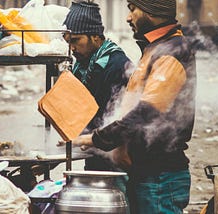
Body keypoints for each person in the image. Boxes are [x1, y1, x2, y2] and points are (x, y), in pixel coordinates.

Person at [59, 0, 197, 213]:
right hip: (145, 174)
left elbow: (146, 113)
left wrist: (96, 138)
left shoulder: (171, 52)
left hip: (160, 178)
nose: (128, 17)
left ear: (152, 11)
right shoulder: (155, 48)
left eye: (133, 9)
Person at [62, 1, 132, 171]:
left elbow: (121, 122)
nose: (71, 48)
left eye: (76, 40)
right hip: (94, 154)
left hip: (116, 161)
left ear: (95, 36)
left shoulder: (118, 65)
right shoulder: (82, 67)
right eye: (68, 42)